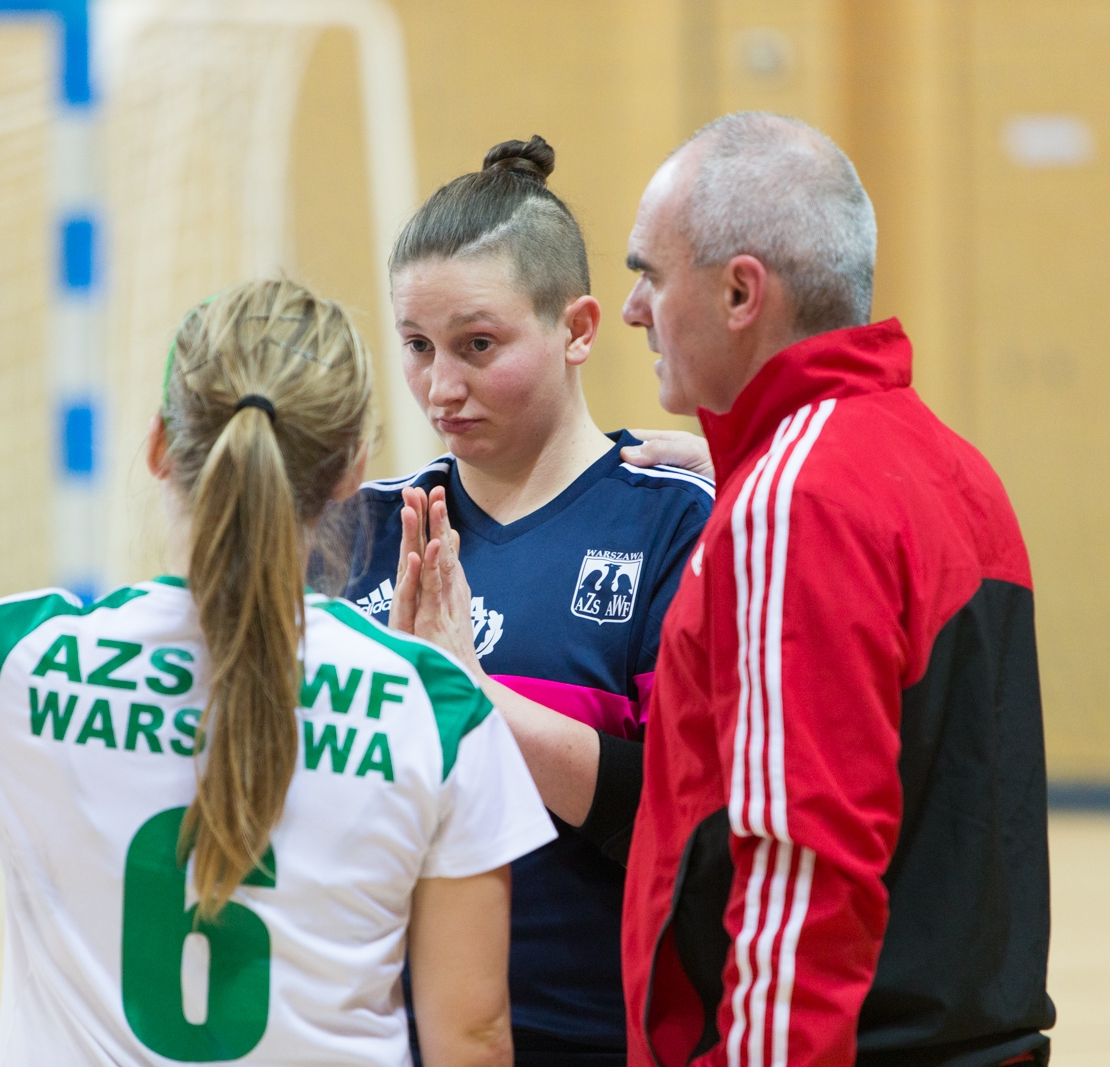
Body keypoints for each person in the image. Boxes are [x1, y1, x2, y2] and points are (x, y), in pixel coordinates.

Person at [0, 280, 557, 1067]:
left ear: (156, 448)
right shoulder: (440, 707)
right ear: (351, 468)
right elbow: (473, 1037)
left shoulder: (15, 655)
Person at [617, 113, 1055, 1066]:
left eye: (647, 273)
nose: (631, 310)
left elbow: (800, 866)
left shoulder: (797, 498)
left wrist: (765, 490)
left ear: (741, 291)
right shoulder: (948, 466)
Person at [338, 136, 714, 1066]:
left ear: (578, 327)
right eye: (418, 348)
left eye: (478, 345)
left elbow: (681, 823)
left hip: (595, 1036)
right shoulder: (363, 531)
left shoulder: (673, 523)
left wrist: (467, 693)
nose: (441, 386)